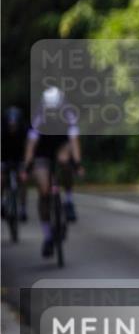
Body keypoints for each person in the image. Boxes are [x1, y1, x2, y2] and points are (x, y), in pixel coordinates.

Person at [21, 87, 84, 257]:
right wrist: (27, 166)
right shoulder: (38, 117)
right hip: (42, 151)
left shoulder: (68, 113)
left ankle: (68, 200)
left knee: (65, 161)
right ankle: (48, 236)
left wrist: (77, 163)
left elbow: (74, 140)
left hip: (60, 146)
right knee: (44, 191)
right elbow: (31, 145)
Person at [2, 107, 29, 221]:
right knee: (1, 178)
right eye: (10, 125)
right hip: (3, 156)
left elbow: (29, 148)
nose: (12, 127)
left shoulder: (24, 131)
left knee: (23, 179)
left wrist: (26, 166)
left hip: (20, 157)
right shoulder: (2, 130)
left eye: (15, 125)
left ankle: (23, 208)